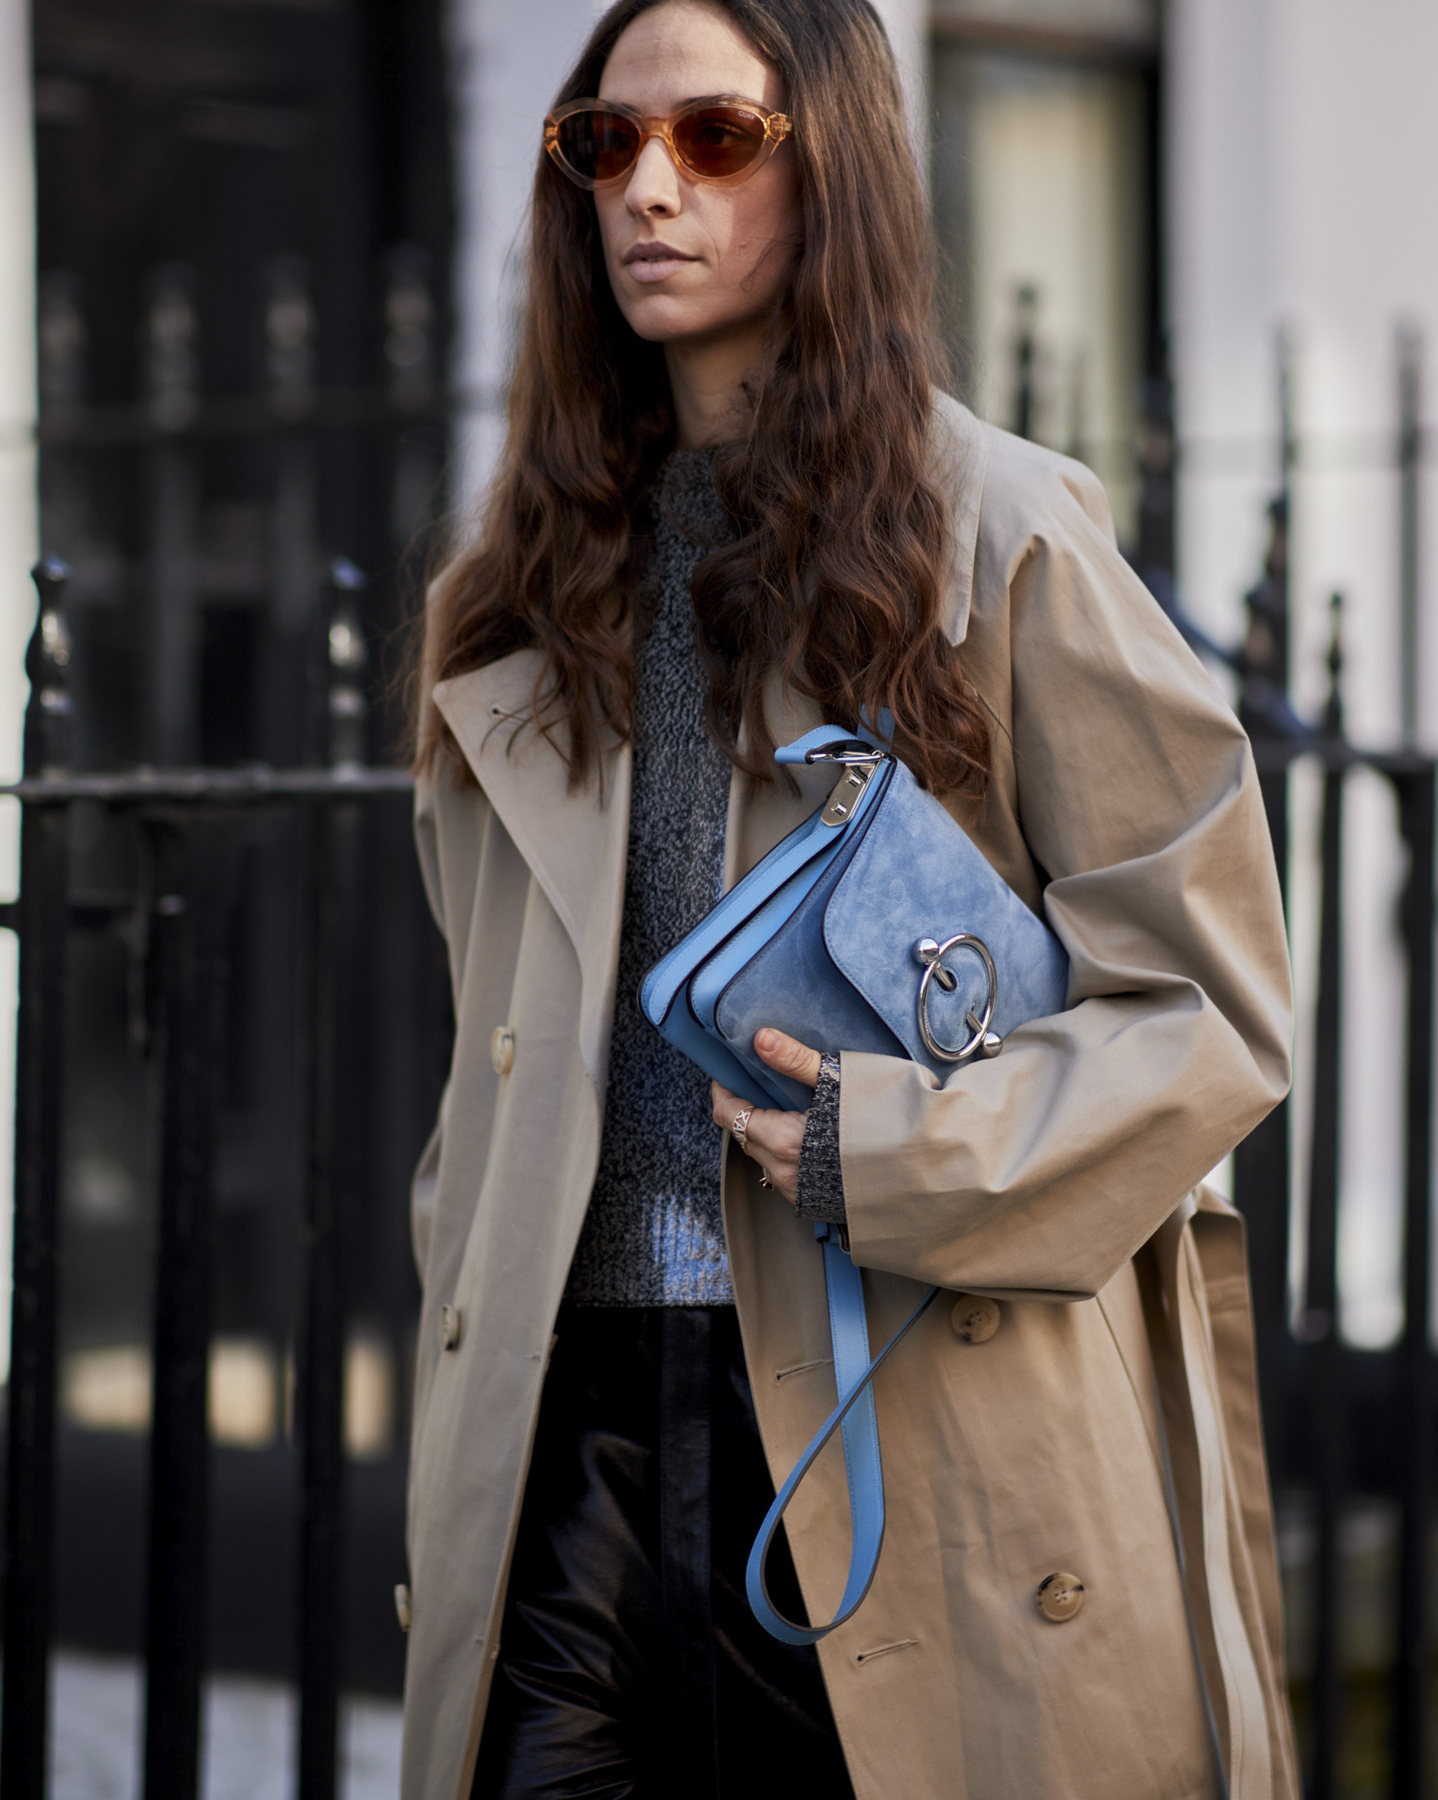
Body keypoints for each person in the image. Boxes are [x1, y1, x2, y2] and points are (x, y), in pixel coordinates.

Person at [403, 0, 1296, 1792]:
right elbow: (489, 1040)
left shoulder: (1003, 533)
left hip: (892, 1417)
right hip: (568, 1432)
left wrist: (886, 1154)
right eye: (607, 144)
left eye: (715, 140)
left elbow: (1210, 1009)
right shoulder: (513, 587)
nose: (651, 189)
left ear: (838, 170)